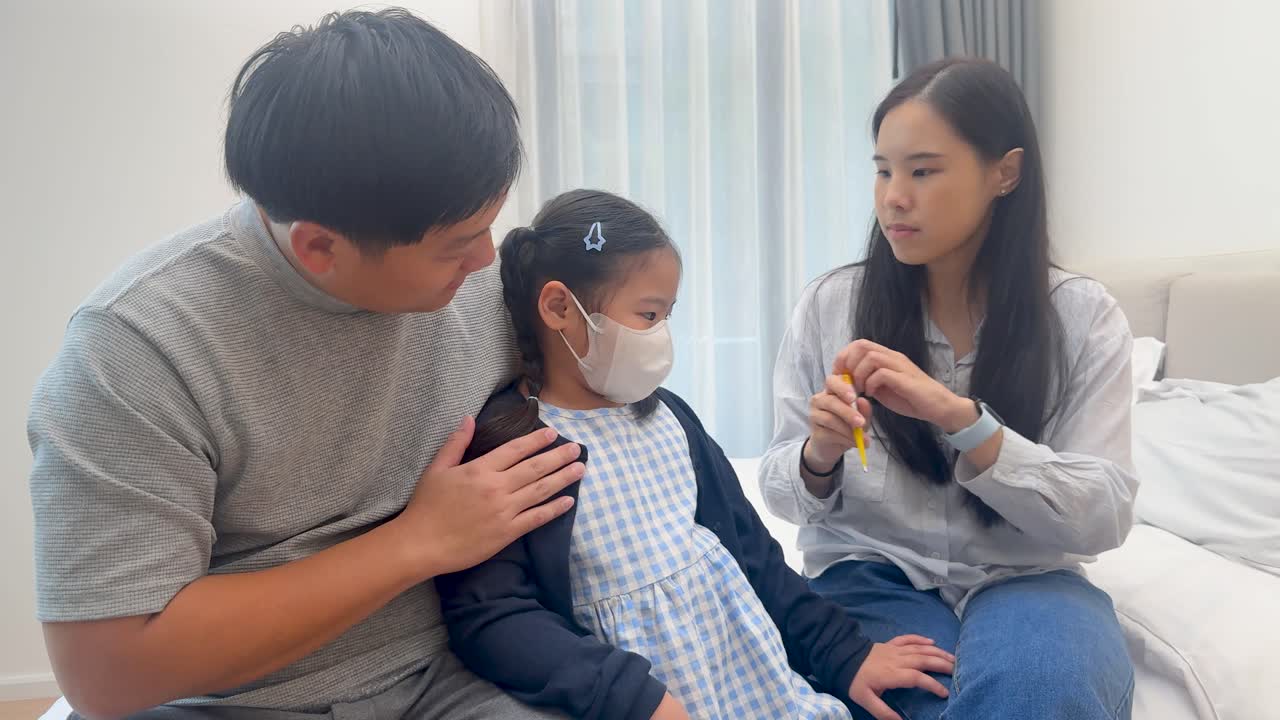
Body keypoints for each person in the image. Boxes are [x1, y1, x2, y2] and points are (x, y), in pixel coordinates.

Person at [27, 9, 584, 719]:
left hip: (458, 667)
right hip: (229, 702)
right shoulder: (136, 350)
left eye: (489, 228)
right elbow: (108, 674)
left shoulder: (479, 282)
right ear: (321, 247)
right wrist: (415, 544)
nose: (486, 261)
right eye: (457, 244)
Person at [436, 189, 955, 720]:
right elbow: (492, 618)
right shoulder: (513, 446)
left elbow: (753, 554)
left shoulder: (671, 419)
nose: (662, 334)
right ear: (559, 308)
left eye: (667, 314)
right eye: (648, 313)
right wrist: (632, 698)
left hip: (764, 694)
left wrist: (846, 654)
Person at [760, 57, 1138, 720]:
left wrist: (967, 422)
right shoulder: (831, 305)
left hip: (1030, 577)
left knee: (1045, 691)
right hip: (872, 573)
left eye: (923, 171)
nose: (893, 197)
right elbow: (782, 492)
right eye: (883, 170)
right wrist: (818, 454)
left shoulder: (1082, 316)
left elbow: (1103, 514)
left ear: (1005, 173)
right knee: (909, 702)